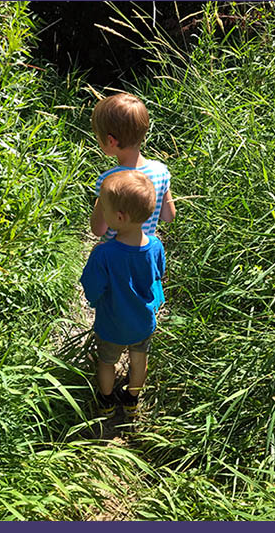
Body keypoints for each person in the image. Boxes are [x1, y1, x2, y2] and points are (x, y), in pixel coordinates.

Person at [80, 170, 166, 420]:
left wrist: (95, 301)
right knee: (139, 361)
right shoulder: (156, 245)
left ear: (118, 217)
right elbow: (157, 274)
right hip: (143, 322)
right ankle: (131, 400)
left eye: (104, 210)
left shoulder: (104, 253)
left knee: (107, 361)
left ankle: (106, 401)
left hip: (112, 323)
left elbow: (92, 287)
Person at [89, 93, 176, 240]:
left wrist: (101, 200)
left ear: (111, 141)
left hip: (113, 255)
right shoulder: (161, 172)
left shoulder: (108, 181)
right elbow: (169, 216)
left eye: (97, 136)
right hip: (143, 253)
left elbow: (98, 230)